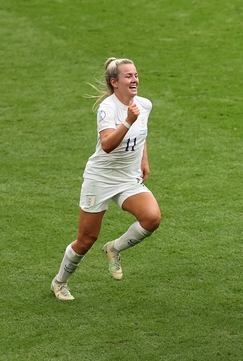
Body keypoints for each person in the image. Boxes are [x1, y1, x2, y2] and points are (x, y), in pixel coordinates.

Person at [50, 57, 162, 300]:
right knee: (86, 239)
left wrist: (144, 159)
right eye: (128, 76)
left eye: (135, 75)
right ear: (114, 82)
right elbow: (108, 144)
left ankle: (114, 248)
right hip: (100, 179)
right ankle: (60, 283)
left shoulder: (144, 105)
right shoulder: (107, 109)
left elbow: (141, 134)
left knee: (152, 218)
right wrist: (128, 120)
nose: (134, 80)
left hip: (127, 178)